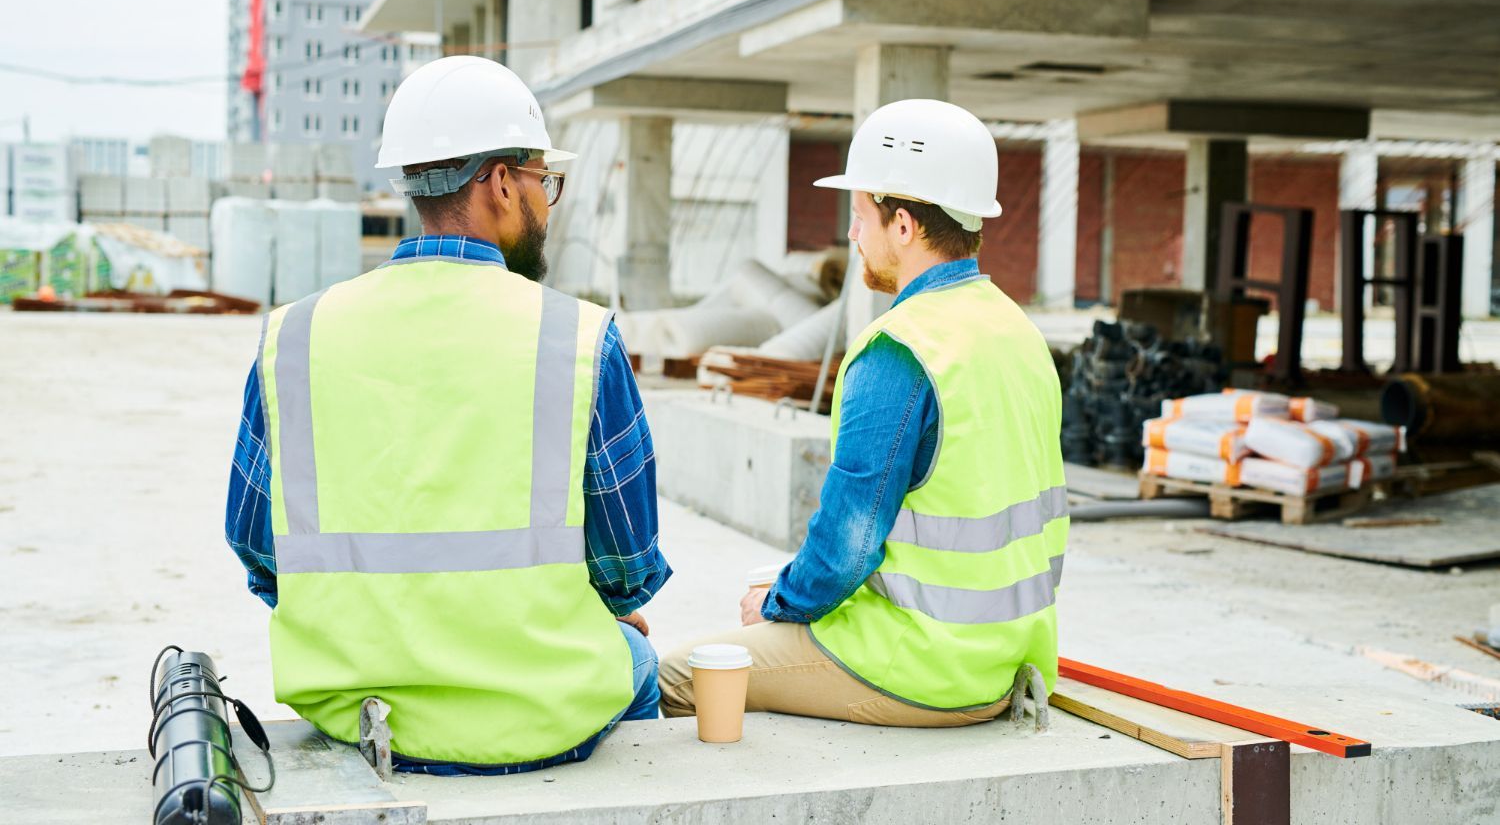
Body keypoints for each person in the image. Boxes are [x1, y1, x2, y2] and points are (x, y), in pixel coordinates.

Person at [225, 55, 671, 774]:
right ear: (501, 182)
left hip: (357, 714)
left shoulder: (297, 335)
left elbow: (257, 549)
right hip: (540, 712)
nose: (547, 205)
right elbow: (629, 568)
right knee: (638, 653)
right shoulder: (577, 337)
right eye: (542, 183)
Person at [659, 98, 1066, 726]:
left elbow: (848, 545)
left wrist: (780, 602)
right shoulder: (1017, 331)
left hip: (916, 668)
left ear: (902, 225)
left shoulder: (901, 350)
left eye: (859, 217)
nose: (852, 237)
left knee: (677, 675)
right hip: (1007, 663)